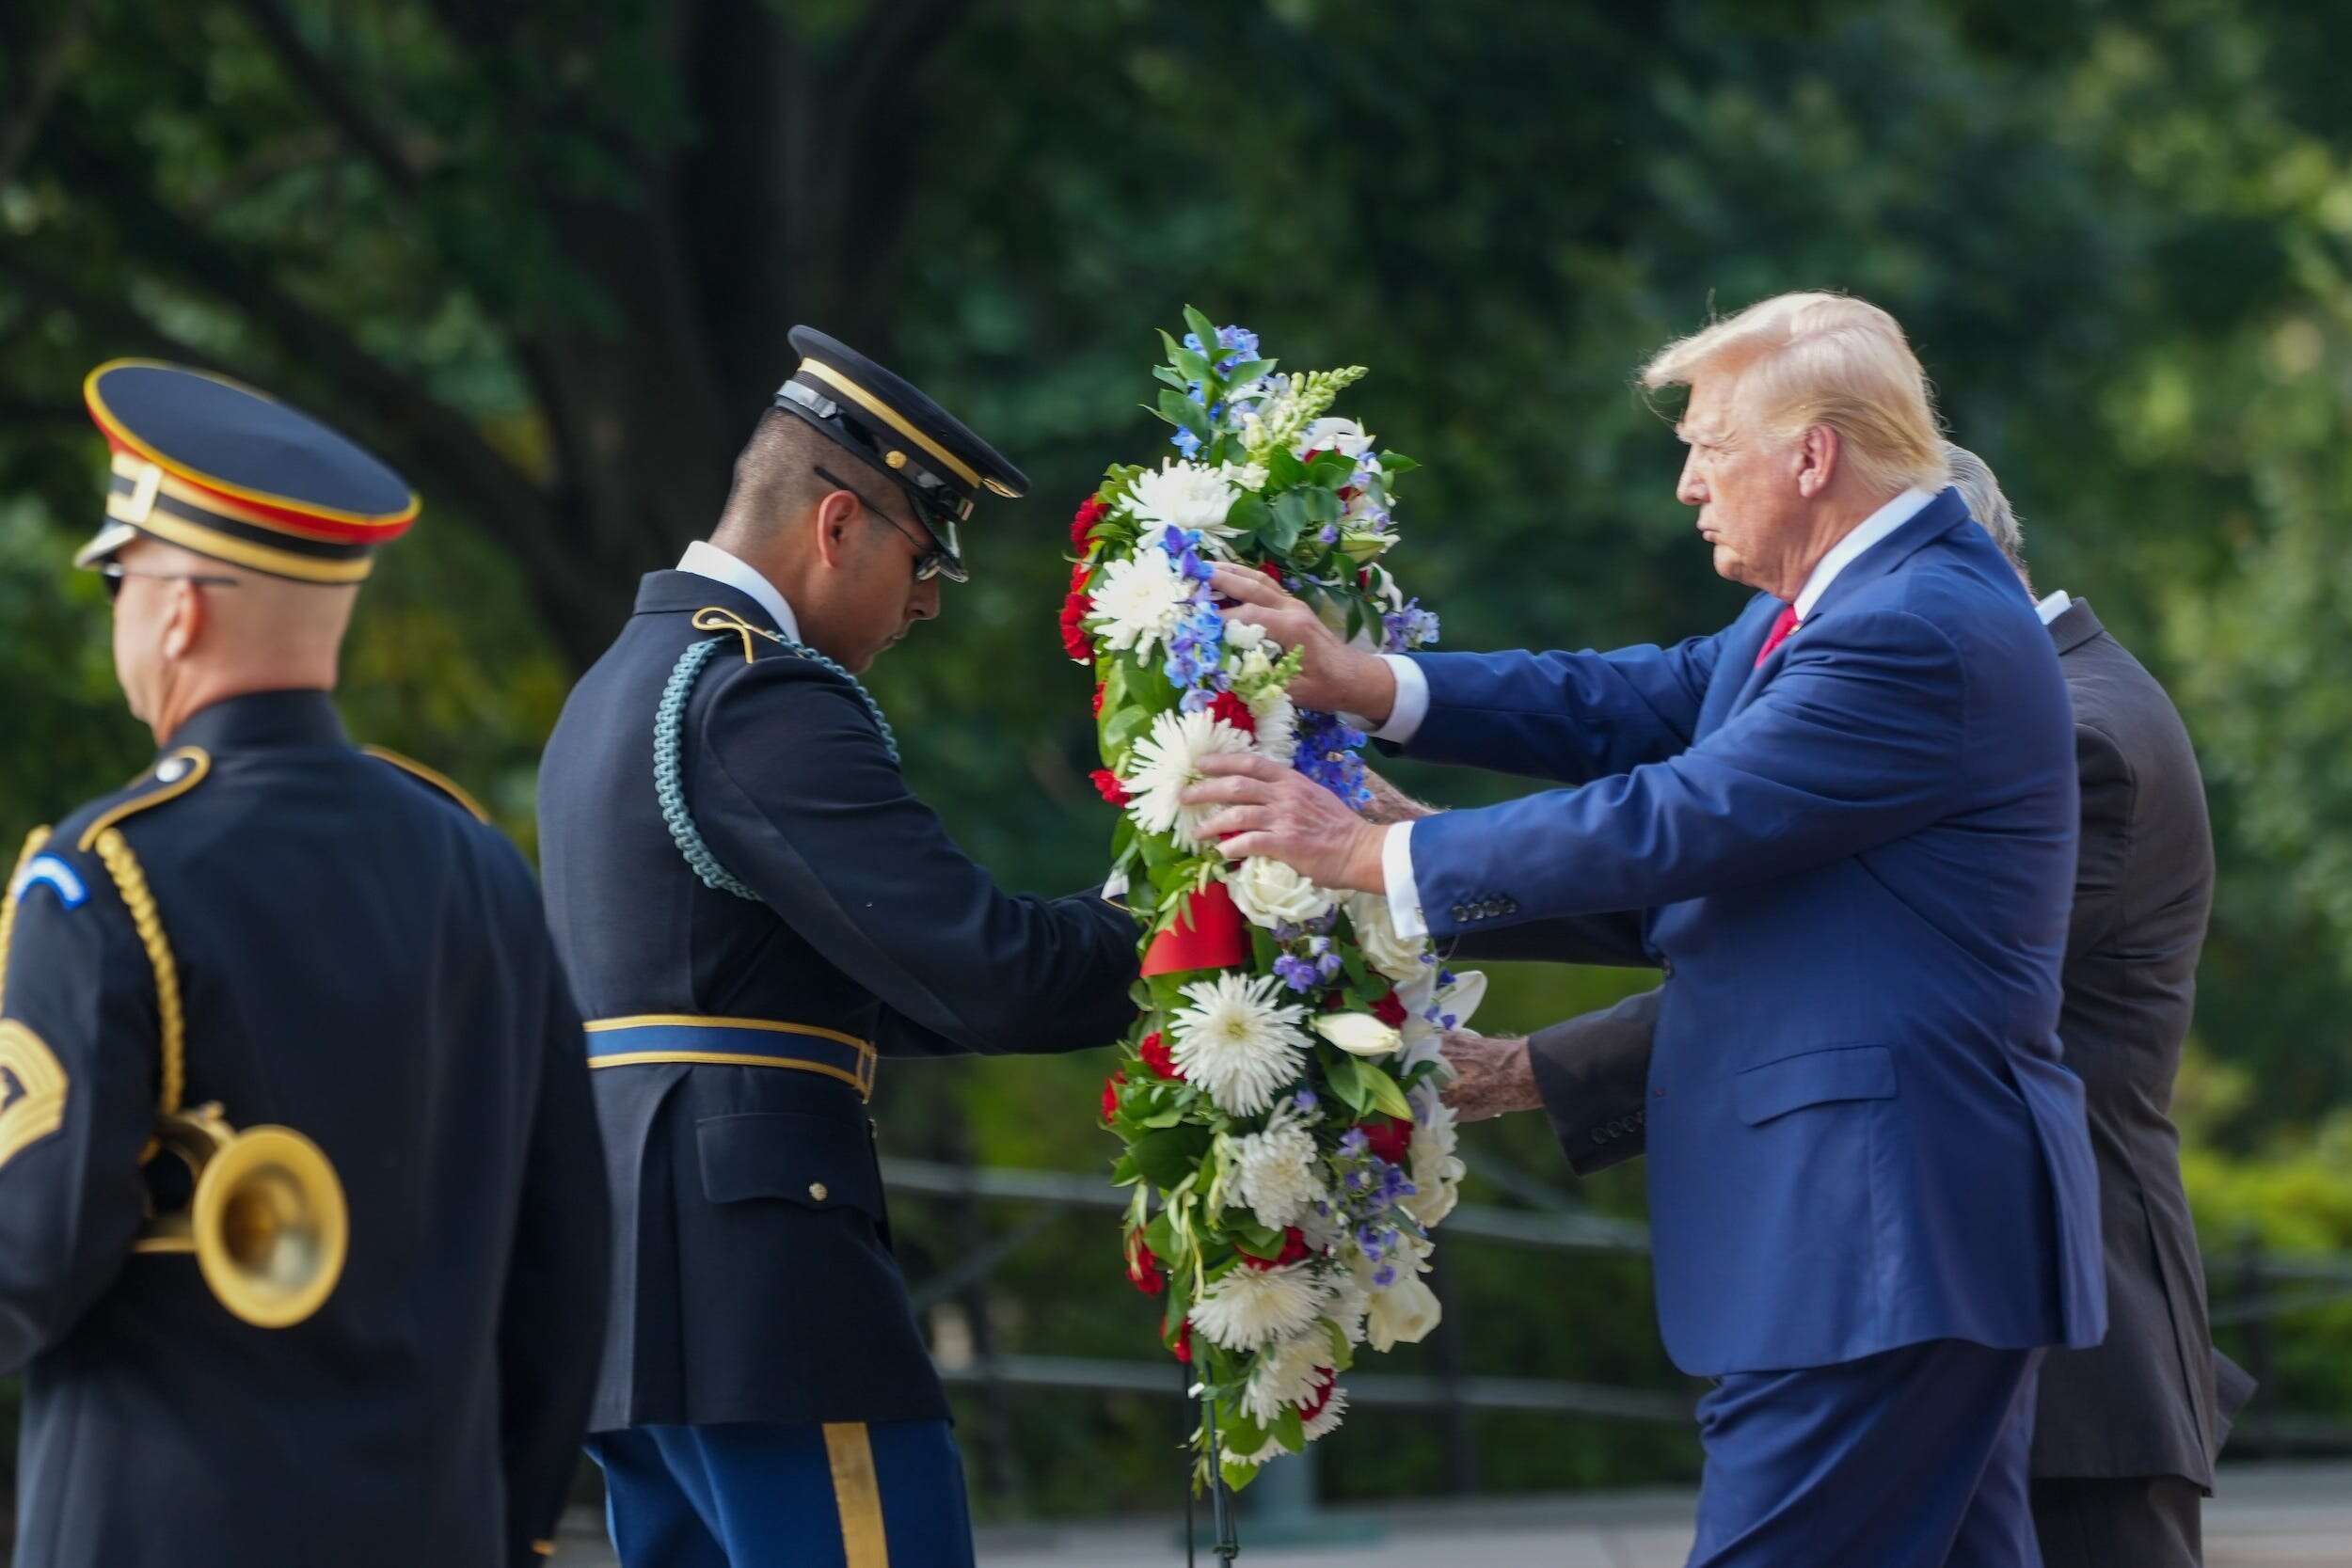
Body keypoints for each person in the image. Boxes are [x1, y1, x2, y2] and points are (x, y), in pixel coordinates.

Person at [1179, 293, 2106, 1567]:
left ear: (1812, 454)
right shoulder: (1853, 599)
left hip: (1875, 1238)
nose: (1685, 483)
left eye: (1706, 443)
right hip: (1901, 1233)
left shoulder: (1913, 626)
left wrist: (1369, 851)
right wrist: (1369, 683)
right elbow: (1635, 702)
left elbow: (1687, 811)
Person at [1431, 443, 2255, 1568]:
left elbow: (1854, 985)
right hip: (1971, 1284)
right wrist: (1426, 871)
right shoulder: (2026, 690)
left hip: (2032, 1323)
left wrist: (1524, 1058)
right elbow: (1737, 858)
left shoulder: (2070, 731)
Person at [537, 327, 1139, 1568]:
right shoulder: (757, 689)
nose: (924, 599)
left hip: (631, 1284)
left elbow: (832, 982)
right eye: (924, 555)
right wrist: (1183, 921)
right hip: (761, 1292)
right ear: (836, 524)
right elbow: (983, 966)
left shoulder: (618, 683)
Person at [0, 360, 608, 1566]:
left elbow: (33, 1249)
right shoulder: (480, 868)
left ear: (177, 609)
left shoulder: (100, 877)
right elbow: (567, 1254)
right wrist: (511, 1523)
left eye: (120, 578)